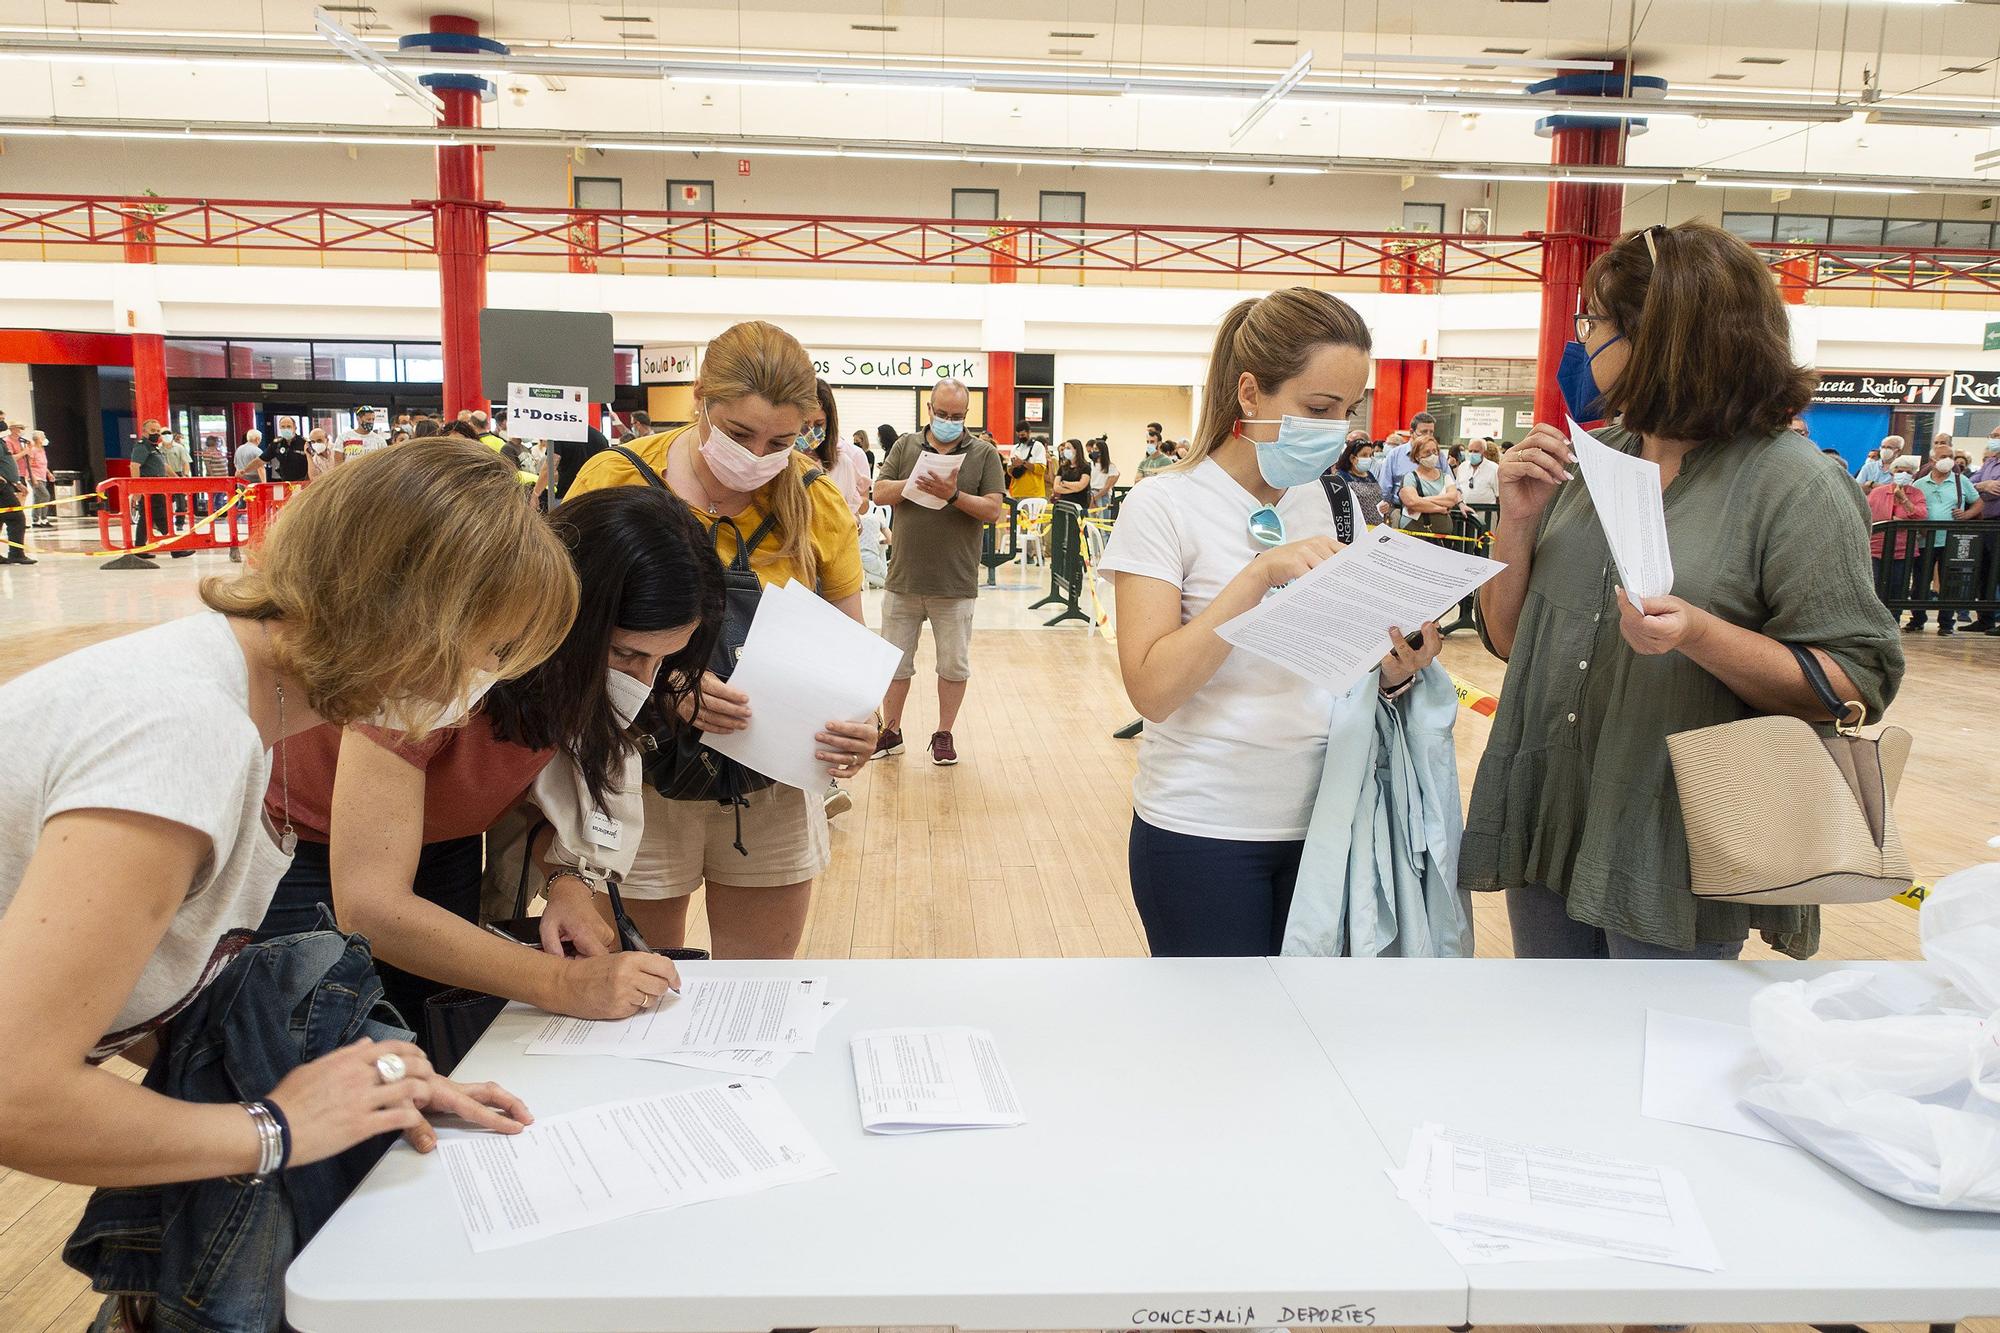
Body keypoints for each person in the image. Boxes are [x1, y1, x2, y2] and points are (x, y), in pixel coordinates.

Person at [0, 442, 567, 1313]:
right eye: (487, 652)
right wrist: (277, 1127)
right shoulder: (187, 731)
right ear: (409, 615)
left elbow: (132, 998)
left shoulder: (237, 701)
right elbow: (17, 1094)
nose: (479, 691)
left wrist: (370, 1080)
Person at [1465, 221, 1903, 962]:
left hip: (1673, 839)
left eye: (1593, 322)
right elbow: (1514, 643)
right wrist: (1516, 524)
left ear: (1658, 336)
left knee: (1660, 1061)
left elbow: (1856, 679)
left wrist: (1697, 633)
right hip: (1555, 812)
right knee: (1554, 1050)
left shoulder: (1792, 486)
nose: (1581, 342)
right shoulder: (1591, 465)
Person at [256, 486, 719, 1036]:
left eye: (661, 662)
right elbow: (371, 907)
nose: (641, 682)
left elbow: (557, 785)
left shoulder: (566, 672)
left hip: (443, 843)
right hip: (306, 845)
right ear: (565, 614)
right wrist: (561, 984)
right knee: (306, 1042)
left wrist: (571, 882)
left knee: (424, 1030)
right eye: (625, 654)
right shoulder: (441, 664)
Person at [1098, 287, 1443, 957]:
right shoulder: (1164, 503)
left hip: (1331, 822)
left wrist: (1393, 670)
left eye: (1347, 409)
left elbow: (1333, 663)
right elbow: (1151, 689)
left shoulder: (1331, 501)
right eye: (1317, 408)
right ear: (1250, 393)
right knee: (1225, 1048)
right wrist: (1257, 576)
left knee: (1310, 1044)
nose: (1337, 428)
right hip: (1204, 830)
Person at [567, 321, 878, 960]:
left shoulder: (816, 502)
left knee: (758, 992)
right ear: (701, 399)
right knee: (634, 984)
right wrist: (663, 687)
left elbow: (849, 652)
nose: (759, 455)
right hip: (632, 777)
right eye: (739, 434)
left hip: (772, 787)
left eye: (783, 441)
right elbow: (552, 631)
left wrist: (861, 724)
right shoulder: (614, 478)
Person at [870, 377, 1008, 767]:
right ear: (929, 410)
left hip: (955, 582)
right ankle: (891, 730)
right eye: (942, 414)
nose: (949, 421)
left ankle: (944, 733)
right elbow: (879, 493)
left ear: (967, 415)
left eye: (957, 415)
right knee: (895, 663)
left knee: (953, 664)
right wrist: (914, 483)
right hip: (904, 579)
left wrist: (953, 495)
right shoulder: (905, 446)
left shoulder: (982, 454)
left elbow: (993, 509)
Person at [1907, 447, 1981, 634]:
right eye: (1943, 457)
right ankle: (1917, 619)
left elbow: (1979, 502)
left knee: (1951, 582)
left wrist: (1967, 514)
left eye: (1950, 457)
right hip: (1925, 539)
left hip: (1952, 540)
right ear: (1932, 460)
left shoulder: (1960, 481)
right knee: (1921, 580)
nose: (1948, 460)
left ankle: (1947, 623)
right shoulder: (1920, 484)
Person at [1868, 456, 1927, 609]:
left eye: (1908, 472)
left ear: (1913, 475)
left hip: (1903, 549)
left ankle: (1895, 618)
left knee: (1898, 585)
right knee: (1874, 583)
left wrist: (1904, 500)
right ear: (1893, 472)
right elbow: (1867, 513)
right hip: (1876, 547)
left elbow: (1921, 514)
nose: (1903, 474)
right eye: (1900, 471)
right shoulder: (1878, 492)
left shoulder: (1916, 494)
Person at [806, 378, 871, 519]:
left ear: (829, 424)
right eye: (804, 423)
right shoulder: (779, 461)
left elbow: (859, 507)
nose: (810, 432)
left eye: (819, 424)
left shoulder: (843, 462)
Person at [1397, 433, 1461, 536]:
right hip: (1415, 532)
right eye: (1427, 452)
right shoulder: (1410, 477)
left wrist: (1423, 500)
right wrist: (1440, 508)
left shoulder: (1445, 477)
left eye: (1434, 451)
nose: (1432, 455)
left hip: (1442, 537)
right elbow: (1412, 502)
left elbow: (1452, 499)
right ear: (1417, 456)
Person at [1332, 434, 1385, 522]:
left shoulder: (1370, 476)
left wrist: (1384, 507)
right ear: (1352, 458)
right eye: (1364, 455)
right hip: (1355, 526)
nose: (1368, 459)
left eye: (1370, 455)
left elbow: (1378, 499)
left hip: (1375, 527)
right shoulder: (1341, 477)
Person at [0, 420, 31, 565]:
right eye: (1, 420)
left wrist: (16, 482)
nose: (3, 423)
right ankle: (16, 553)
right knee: (17, 518)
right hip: (1, 487)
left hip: (7, 483)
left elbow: (6, 463)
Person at [1455, 436, 1500, 512]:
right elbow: (1457, 489)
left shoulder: (1494, 469)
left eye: (1476, 451)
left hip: (1486, 514)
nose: (1472, 454)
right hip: (1464, 514)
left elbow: (1499, 495)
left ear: (1484, 452)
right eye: (1470, 451)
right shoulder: (1462, 467)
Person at [1052, 437, 1093, 510]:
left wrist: (1065, 483)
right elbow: (1056, 487)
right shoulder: (1063, 467)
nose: (1065, 451)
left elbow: (1081, 485)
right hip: (1063, 503)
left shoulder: (1085, 467)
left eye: (1068, 448)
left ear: (1076, 450)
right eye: (1065, 448)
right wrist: (1074, 489)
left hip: (1080, 504)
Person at [1087, 437, 1119, 506]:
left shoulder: (1110, 467)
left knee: (1103, 516)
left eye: (1096, 449)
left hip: (1103, 495)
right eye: (1093, 449)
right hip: (1090, 494)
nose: (1093, 451)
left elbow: (1107, 487)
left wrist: (1094, 498)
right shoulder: (1090, 465)